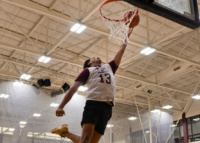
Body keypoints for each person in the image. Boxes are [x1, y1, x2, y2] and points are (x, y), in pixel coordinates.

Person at [51, 28, 133, 143]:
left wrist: (127, 36)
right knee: (85, 140)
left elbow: (121, 50)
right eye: (93, 57)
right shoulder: (88, 71)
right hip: (94, 103)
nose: (96, 57)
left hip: (108, 108)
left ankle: (64, 132)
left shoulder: (109, 67)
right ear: (89, 63)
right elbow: (73, 89)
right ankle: (64, 132)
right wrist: (61, 106)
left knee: (89, 142)